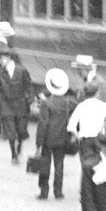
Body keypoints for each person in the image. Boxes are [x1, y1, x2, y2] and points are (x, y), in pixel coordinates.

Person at [34, 69, 78, 201]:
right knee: (59, 165)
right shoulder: (67, 102)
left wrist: (38, 143)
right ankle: (58, 192)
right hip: (62, 138)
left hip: (48, 139)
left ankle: (44, 192)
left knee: (45, 165)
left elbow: (43, 124)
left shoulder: (46, 103)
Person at [0, 48, 35, 165]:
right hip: (6, 105)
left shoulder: (22, 71)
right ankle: (13, 155)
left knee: (21, 130)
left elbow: (29, 86)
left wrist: (31, 98)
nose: (0, 61)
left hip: (21, 104)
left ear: (8, 58)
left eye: (2, 59)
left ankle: (19, 146)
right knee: (10, 131)